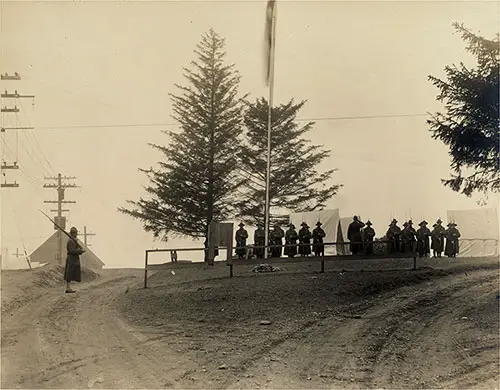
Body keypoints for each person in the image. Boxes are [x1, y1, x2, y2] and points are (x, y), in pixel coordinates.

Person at [64, 227, 85, 293]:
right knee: (69, 273)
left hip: (73, 258)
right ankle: (68, 288)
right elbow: (72, 250)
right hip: (71, 258)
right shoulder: (71, 241)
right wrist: (80, 251)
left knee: (71, 273)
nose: (76, 234)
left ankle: (68, 288)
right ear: (73, 233)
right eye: (75, 233)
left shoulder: (73, 240)